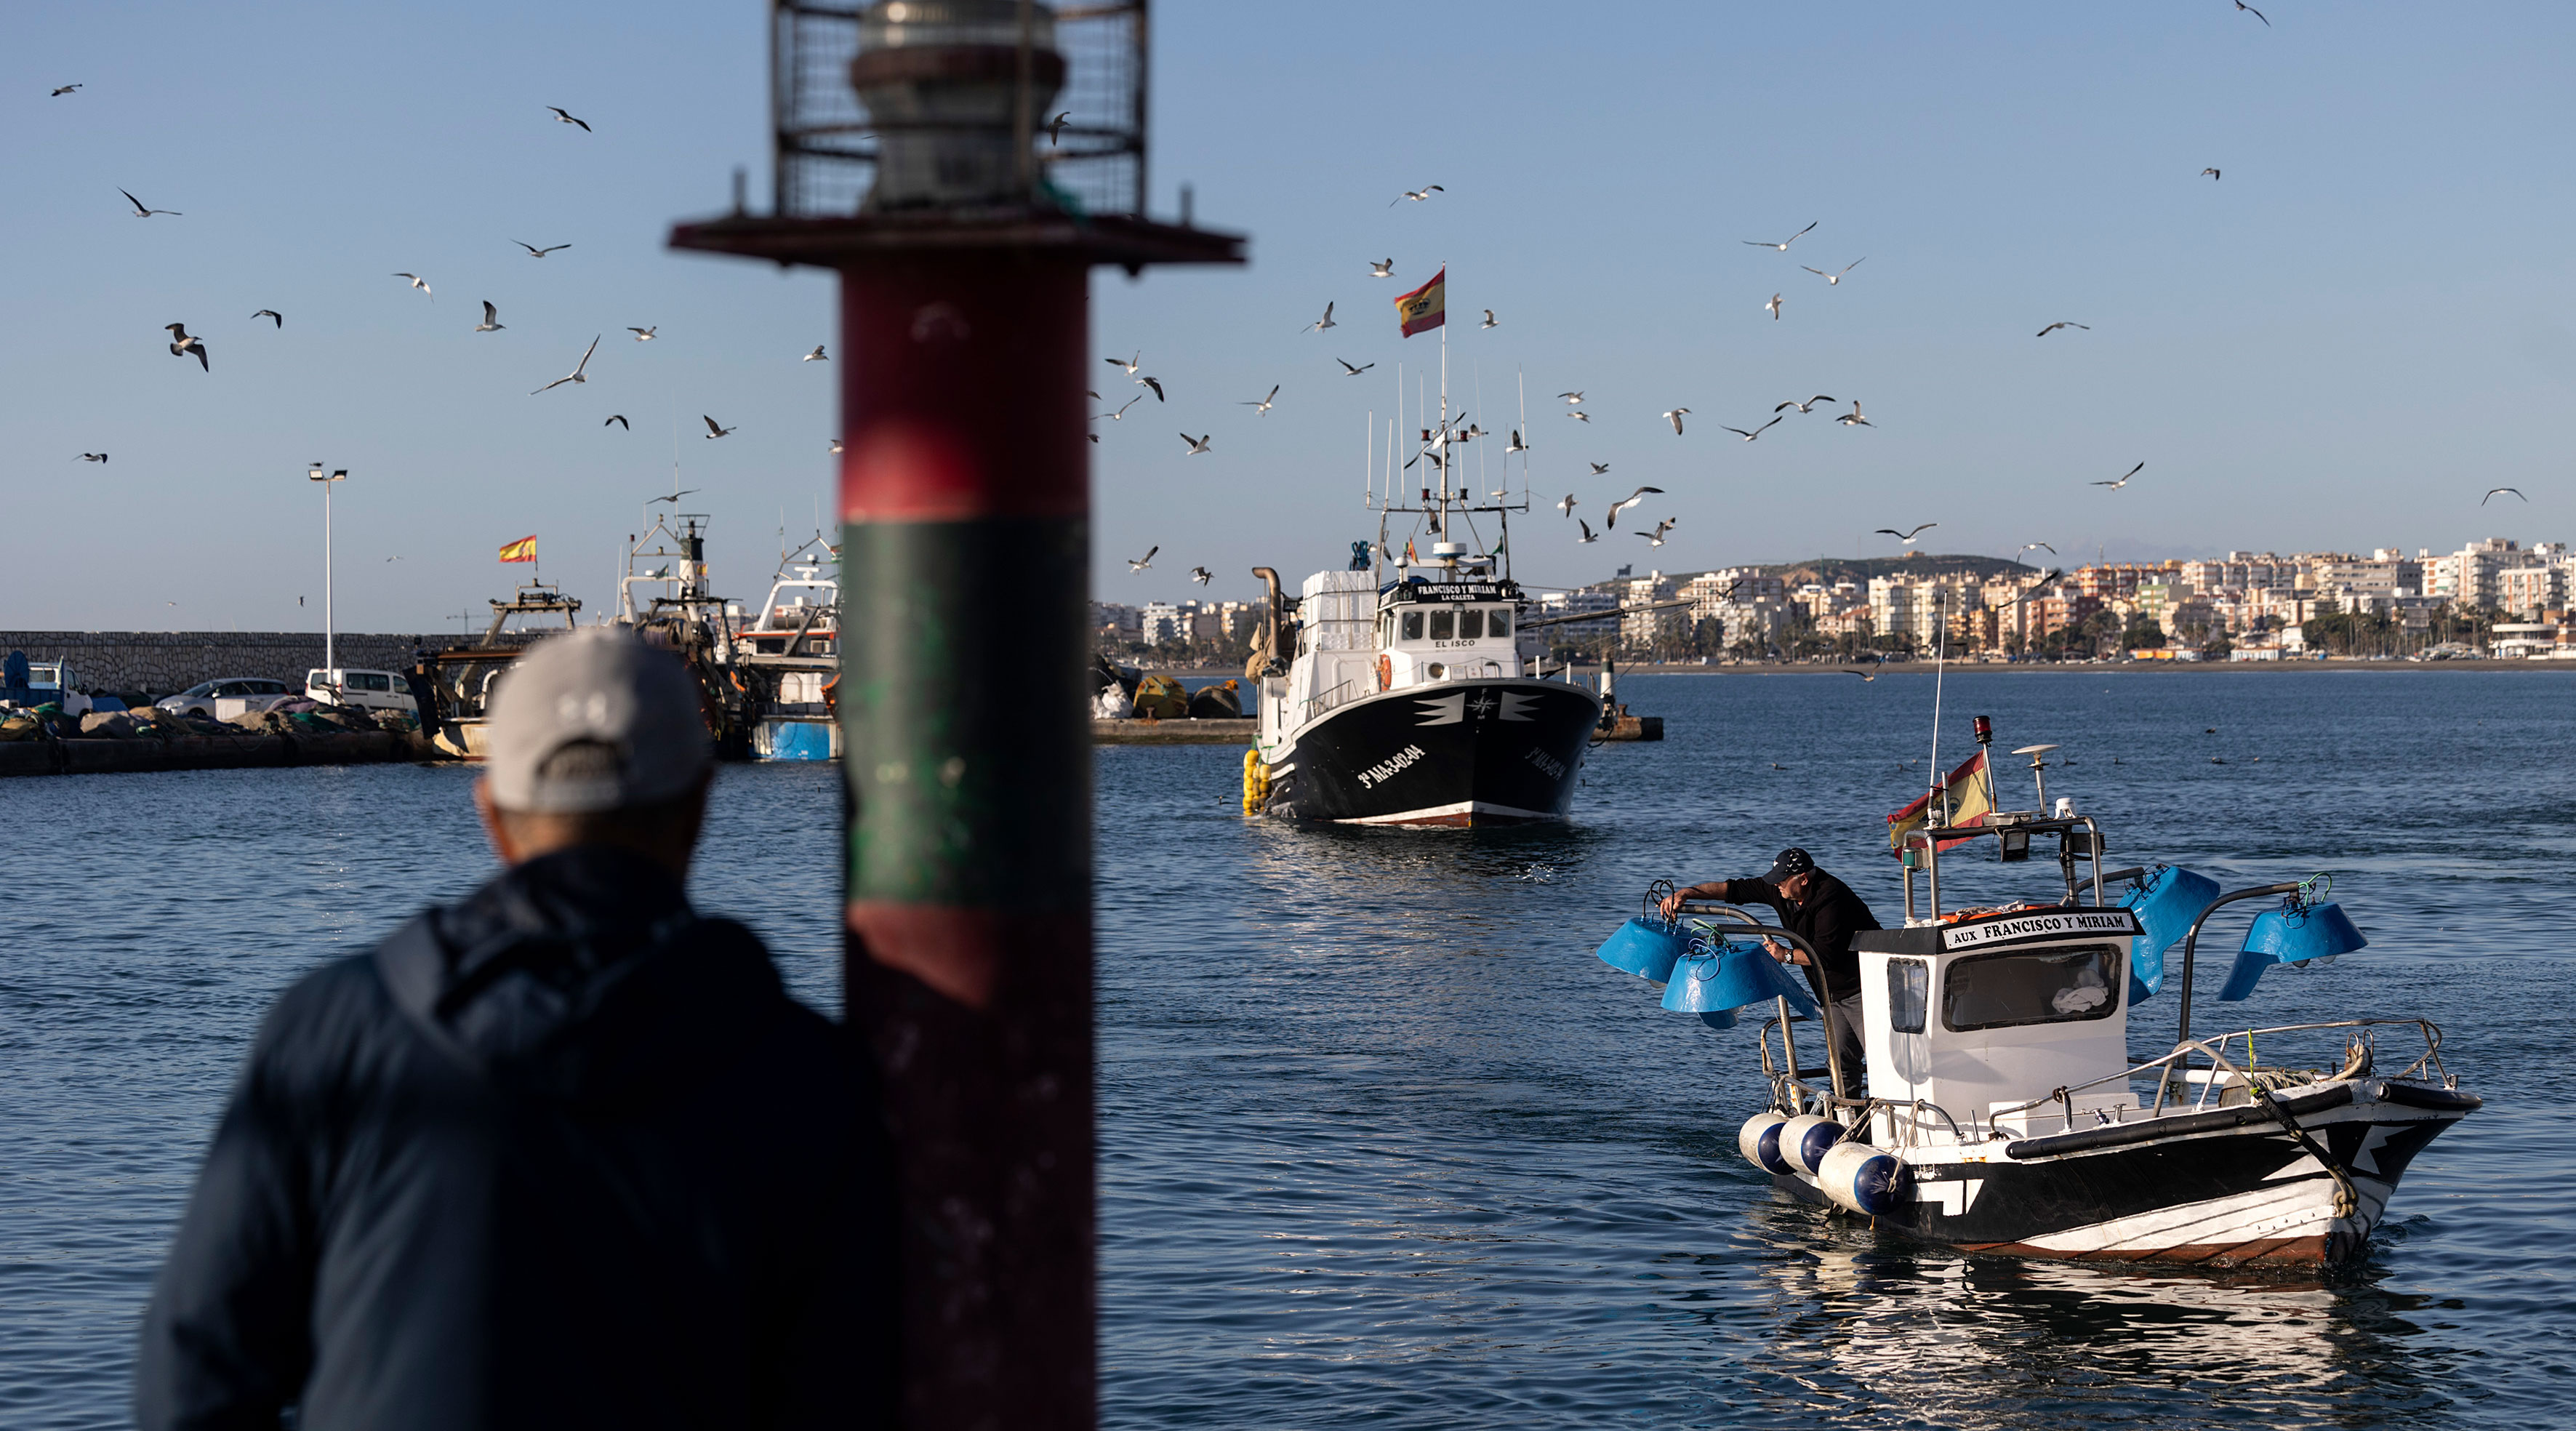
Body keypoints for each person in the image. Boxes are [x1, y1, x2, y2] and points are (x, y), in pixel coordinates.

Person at [137, 627, 895, 1430]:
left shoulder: (332, 1034)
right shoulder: (812, 1080)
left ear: (493, 813)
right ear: (699, 808)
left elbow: (194, 1374)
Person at [1660, 847, 1881, 1091]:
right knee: (1840, 1063)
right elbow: (1732, 890)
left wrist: (1784, 955)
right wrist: (1686, 893)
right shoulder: (1783, 890)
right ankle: (1850, 1115)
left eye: (1782, 881)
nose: (1776, 886)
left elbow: (1824, 955)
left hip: (1865, 987)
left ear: (1803, 879)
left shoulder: (1831, 898)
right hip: (1831, 993)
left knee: (1881, 1056)